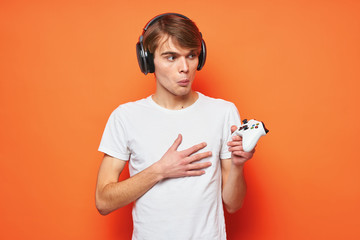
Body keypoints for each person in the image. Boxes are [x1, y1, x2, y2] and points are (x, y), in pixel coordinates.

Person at [95, 13, 255, 240]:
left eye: (191, 56)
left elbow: (233, 204)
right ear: (148, 61)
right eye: (171, 57)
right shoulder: (125, 117)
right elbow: (103, 201)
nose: (185, 68)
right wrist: (160, 170)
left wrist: (238, 166)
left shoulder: (224, 112)